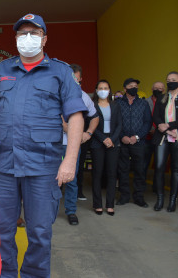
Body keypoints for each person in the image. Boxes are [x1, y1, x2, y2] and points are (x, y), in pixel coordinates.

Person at [0, 13, 87, 278]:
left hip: (43, 166)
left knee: (40, 232)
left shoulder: (61, 71)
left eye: (34, 33)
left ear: (44, 39)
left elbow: (75, 116)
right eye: (22, 33)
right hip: (5, 164)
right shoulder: (4, 69)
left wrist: (70, 160)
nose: (27, 38)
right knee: (2, 230)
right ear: (16, 38)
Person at [61, 66, 99, 225]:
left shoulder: (84, 97)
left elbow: (95, 117)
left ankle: (70, 211)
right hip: (54, 145)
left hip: (73, 146)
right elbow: (61, 122)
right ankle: (48, 211)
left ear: (81, 79)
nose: (73, 82)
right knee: (49, 179)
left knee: (71, 178)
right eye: (71, 79)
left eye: (76, 79)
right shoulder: (58, 94)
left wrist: (88, 133)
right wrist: (70, 129)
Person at [116, 78, 152, 207]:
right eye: (131, 86)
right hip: (122, 141)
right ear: (125, 88)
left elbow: (147, 122)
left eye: (135, 86)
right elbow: (115, 122)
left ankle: (139, 197)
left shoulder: (143, 104)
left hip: (139, 142)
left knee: (140, 170)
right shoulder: (118, 103)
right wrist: (122, 136)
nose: (134, 88)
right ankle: (124, 196)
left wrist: (137, 137)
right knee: (123, 170)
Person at [90, 80, 122, 216]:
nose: (103, 90)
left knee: (112, 174)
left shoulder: (115, 105)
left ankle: (110, 205)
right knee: (97, 173)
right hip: (98, 141)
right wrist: (103, 139)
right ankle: (97, 204)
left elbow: (120, 125)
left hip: (113, 141)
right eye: (100, 88)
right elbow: (91, 125)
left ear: (109, 90)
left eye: (106, 88)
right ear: (96, 90)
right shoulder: (92, 106)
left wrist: (112, 139)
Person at [152, 71, 178, 212]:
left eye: (173, 79)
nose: (170, 82)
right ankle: (160, 200)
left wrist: (170, 125)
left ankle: (172, 200)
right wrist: (166, 130)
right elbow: (156, 117)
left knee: (175, 170)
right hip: (162, 136)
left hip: (176, 136)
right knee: (160, 167)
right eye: (168, 80)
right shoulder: (162, 97)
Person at [145, 81, 165, 192]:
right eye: (156, 88)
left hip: (161, 137)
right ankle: (141, 187)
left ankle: (157, 188)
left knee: (159, 164)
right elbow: (143, 119)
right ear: (152, 89)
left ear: (164, 90)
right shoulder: (146, 102)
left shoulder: (167, 101)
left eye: (161, 88)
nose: (158, 90)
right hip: (147, 137)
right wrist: (150, 130)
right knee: (144, 163)